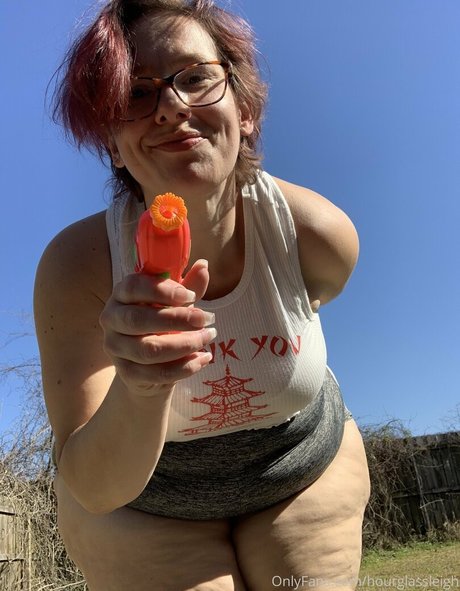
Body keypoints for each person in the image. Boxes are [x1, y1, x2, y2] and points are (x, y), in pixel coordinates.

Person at [34, 0, 370, 589]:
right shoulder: (78, 267)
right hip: (141, 509)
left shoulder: (317, 236)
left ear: (245, 110)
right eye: (136, 94)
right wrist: (141, 387)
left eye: (194, 78)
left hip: (302, 471)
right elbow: (93, 486)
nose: (170, 106)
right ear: (112, 142)